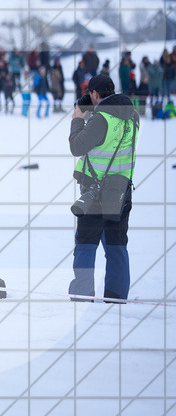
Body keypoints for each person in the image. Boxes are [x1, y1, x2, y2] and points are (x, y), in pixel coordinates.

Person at [68, 74, 138, 300]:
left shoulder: (101, 119)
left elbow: (77, 146)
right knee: (117, 246)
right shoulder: (132, 116)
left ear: (95, 94)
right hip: (120, 192)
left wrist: (78, 119)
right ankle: (116, 296)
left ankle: (82, 295)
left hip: (95, 192)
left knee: (86, 244)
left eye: (90, 95)